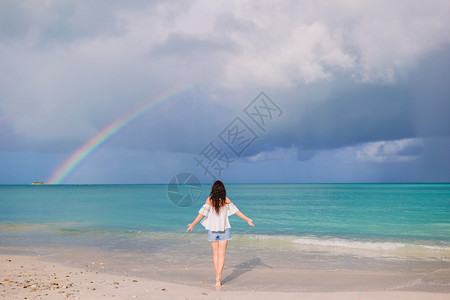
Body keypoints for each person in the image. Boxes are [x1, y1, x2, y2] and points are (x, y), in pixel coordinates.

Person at [187, 180, 254, 287]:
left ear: (213, 189)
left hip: (212, 230)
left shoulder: (209, 200)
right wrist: (247, 219)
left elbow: (201, 213)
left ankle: (217, 277)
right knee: (222, 254)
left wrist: (193, 224)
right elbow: (236, 211)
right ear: (223, 189)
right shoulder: (226, 200)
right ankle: (218, 278)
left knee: (215, 254)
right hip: (224, 230)